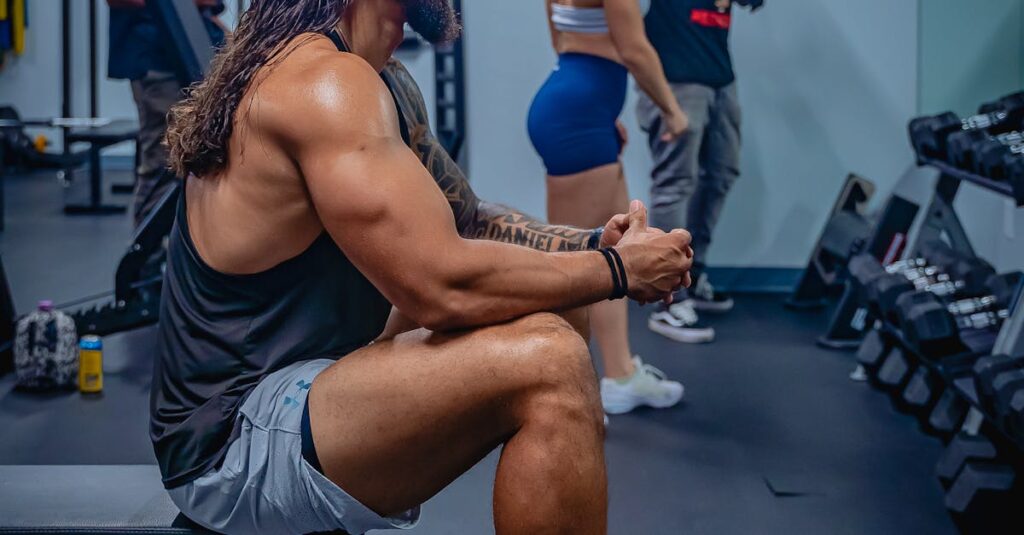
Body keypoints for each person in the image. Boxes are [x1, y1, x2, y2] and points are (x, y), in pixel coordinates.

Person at [152, 1, 695, 533]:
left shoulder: (381, 77)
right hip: (233, 442)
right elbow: (441, 289)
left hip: (314, 380)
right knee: (548, 365)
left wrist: (595, 243)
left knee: (559, 306)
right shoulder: (321, 84)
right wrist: (616, 271)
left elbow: (470, 218)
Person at [527, 0, 698, 414]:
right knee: (577, 263)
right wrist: (673, 113)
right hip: (578, 118)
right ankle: (563, 388)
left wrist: (602, 114)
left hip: (577, 108)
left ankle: (619, 375)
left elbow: (563, 41)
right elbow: (634, 49)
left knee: (612, 252)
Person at [637, 0, 761, 343]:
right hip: (675, 76)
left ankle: (693, 272)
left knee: (722, 174)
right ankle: (668, 296)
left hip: (720, 76)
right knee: (674, 183)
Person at [106, 0, 226, 226]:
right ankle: (145, 256)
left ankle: (186, 247)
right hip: (158, 60)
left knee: (206, 158)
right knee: (164, 162)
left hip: (199, 50)